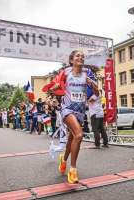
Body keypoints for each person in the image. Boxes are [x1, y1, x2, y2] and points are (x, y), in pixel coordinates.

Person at [46, 50, 99, 183]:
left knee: (72, 138)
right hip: (67, 109)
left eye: (82, 56)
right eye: (77, 56)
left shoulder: (87, 73)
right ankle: (72, 170)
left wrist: (91, 84)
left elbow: (97, 93)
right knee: (79, 135)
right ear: (71, 60)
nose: (80, 57)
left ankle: (63, 160)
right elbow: (50, 89)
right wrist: (55, 87)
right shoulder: (66, 73)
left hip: (80, 111)